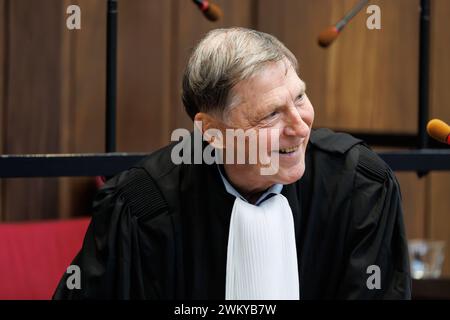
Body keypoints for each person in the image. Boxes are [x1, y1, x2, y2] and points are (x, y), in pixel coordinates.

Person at [53, 27, 411, 300]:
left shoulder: (360, 186)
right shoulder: (141, 207)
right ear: (211, 131)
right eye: (271, 114)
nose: (301, 127)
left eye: (300, 97)